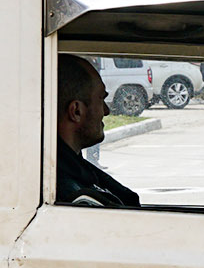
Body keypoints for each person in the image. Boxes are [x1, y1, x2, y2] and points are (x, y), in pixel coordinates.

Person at [56, 54, 141, 208]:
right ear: (76, 111)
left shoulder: (69, 170)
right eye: (101, 99)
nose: (106, 111)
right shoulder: (67, 189)